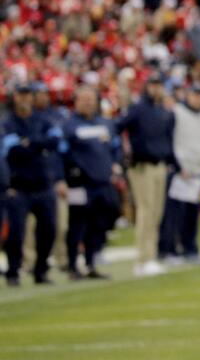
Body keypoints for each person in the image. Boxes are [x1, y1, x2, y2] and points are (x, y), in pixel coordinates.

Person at [2, 82, 62, 286]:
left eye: (28, 94)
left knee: (49, 230)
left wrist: (29, 142)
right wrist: (39, 144)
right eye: (21, 94)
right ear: (15, 97)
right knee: (16, 234)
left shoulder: (42, 119)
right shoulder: (8, 122)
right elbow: (13, 151)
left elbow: (55, 142)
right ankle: (13, 272)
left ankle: (40, 270)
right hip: (18, 186)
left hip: (43, 184)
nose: (25, 98)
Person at [60, 86, 121, 280]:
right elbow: (63, 154)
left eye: (91, 99)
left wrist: (115, 164)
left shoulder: (105, 123)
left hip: (102, 182)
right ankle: (72, 265)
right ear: (76, 101)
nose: (88, 102)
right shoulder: (69, 126)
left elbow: (115, 147)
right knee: (77, 225)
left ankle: (91, 262)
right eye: (83, 99)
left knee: (99, 224)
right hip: (80, 183)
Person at [118, 74, 175, 277]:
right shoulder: (138, 109)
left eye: (159, 85)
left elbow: (168, 139)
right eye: (153, 84)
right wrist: (125, 155)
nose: (156, 89)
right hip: (142, 166)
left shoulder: (162, 111)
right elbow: (118, 127)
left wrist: (170, 161)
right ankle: (142, 259)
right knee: (145, 211)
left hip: (160, 165)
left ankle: (150, 256)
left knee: (156, 212)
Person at [161, 84, 200, 265]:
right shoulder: (176, 113)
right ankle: (169, 249)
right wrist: (175, 164)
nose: (198, 99)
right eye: (194, 95)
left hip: (197, 170)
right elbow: (168, 139)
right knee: (174, 213)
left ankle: (190, 248)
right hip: (180, 171)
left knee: (192, 214)